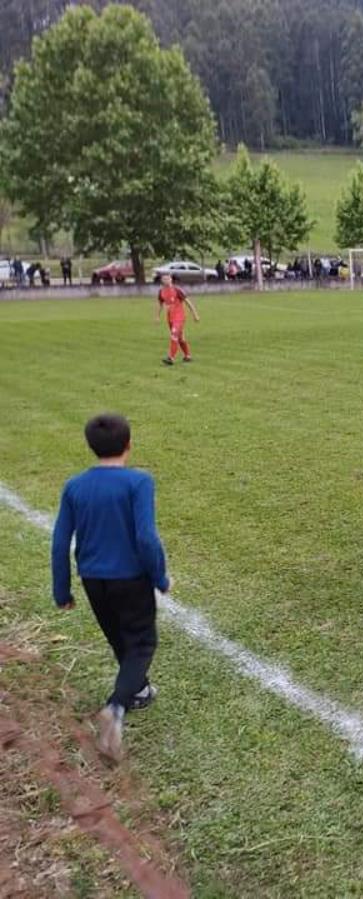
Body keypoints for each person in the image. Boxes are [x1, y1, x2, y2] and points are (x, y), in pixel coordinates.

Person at [51, 414, 169, 761]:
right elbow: (146, 537)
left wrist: (62, 590)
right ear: (129, 445)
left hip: (93, 579)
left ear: (90, 446)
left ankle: (139, 689)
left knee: (120, 637)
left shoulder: (74, 486)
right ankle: (116, 707)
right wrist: (160, 577)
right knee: (142, 642)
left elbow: (60, 543)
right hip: (130, 578)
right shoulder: (138, 482)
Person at [156, 273, 199, 365]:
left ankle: (171, 358)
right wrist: (157, 316)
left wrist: (195, 314)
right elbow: (160, 304)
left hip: (179, 316)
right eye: (164, 279)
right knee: (180, 338)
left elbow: (188, 302)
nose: (166, 280)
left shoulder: (177, 290)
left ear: (171, 279)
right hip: (170, 317)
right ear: (162, 281)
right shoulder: (161, 291)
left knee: (174, 334)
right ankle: (187, 356)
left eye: (168, 278)